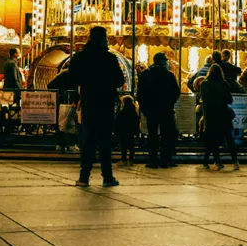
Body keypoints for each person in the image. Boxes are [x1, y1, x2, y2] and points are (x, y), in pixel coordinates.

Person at [69, 26, 126, 187]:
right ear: (103, 39)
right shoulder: (109, 58)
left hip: (88, 101)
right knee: (105, 141)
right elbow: (119, 80)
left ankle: (84, 176)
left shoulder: (81, 57)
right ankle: (107, 176)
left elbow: (72, 76)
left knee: (87, 140)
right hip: (105, 102)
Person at [137, 52, 179, 169]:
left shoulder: (146, 75)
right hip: (166, 109)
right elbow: (176, 92)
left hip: (151, 110)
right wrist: (170, 103)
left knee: (152, 135)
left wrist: (144, 107)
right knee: (167, 135)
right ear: (162, 62)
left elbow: (140, 93)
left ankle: (153, 160)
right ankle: (166, 159)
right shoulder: (169, 75)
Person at [200, 64, 239, 171]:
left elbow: (205, 100)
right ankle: (235, 161)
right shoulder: (224, 84)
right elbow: (229, 100)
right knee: (229, 138)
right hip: (223, 114)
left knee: (213, 139)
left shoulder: (204, 84)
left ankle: (217, 161)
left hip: (211, 115)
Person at [116, 96, 139, 167]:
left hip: (123, 131)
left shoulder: (122, 112)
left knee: (123, 146)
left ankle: (124, 159)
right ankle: (131, 159)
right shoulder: (133, 112)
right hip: (130, 131)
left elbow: (117, 121)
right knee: (131, 145)